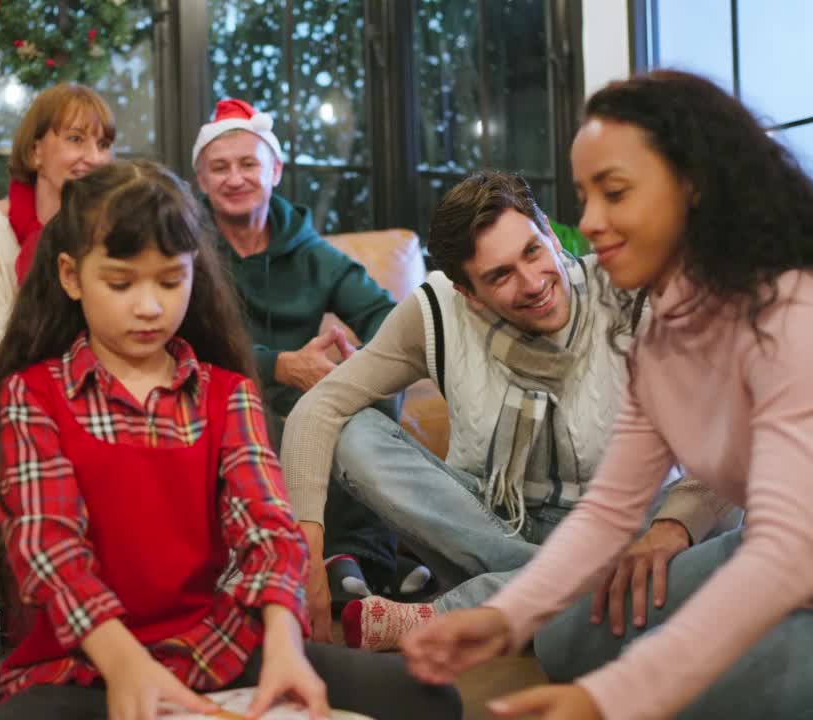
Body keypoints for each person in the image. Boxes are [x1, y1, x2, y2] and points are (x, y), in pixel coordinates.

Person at [403, 70, 813, 720]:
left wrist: (608, 699)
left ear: (694, 187)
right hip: (803, 570)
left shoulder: (804, 315)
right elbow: (608, 513)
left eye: (615, 193)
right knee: (566, 635)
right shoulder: (663, 330)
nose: (589, 223)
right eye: (584, 196)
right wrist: (504, 615)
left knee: (675, 700)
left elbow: (784, 556)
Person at [0, 160, 462, 720]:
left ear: (194, 273)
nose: (149, 306)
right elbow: (50, 550)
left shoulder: (226, 393)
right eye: (120, 282)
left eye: (170, 279)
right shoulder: (31, 395)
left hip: (213, 645)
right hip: (84, 659)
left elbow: (269, 529)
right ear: (70, 275)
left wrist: (284, 643)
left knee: (431, 696)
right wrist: (128, 666)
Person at [280, 168, 737, 649]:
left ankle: (456, 612)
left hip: (625, 525)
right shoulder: (436, 312)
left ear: (551, 237)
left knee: (716, 510)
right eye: (500, 275)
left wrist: (671, 528)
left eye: (533, 251)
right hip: (490, 527)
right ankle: (563, 594)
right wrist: (306, 551)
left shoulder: (636, 294)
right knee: (354, 431)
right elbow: (320, 407)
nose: (533, 282)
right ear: (469, 294)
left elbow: (735, 430)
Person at [192, 97, 427, 615]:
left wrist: (362, 359)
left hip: (308, 401)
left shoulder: (310, 251)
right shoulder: (189, 249)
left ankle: (357, 556)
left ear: (274, 170)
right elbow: (188, 346)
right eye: (220, 167)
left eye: (248, 164)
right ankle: (370, 562)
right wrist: (279, 363)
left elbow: (389, 320)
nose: (235, 178)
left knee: (372, 390)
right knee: (279, 420)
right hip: (229, 400)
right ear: (203, 181)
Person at [0, 83, 114, 420]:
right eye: (76, 139)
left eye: (104, 144)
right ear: (35, 152)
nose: (95, 158)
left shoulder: (117, 233)